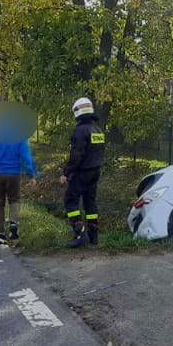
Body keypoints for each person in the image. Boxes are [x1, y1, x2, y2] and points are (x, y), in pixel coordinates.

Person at [0, 130, 38, 244]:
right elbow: (27, 158)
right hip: (14, 173)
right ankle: (14, 225)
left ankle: (1, 234)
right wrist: (31, 174)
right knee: (14, 200)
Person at [61, 97, 106, 248]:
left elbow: (76, 156)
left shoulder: (80, 131)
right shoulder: (98, 130)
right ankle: (94, 237)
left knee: (70, 201)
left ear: (77, 112)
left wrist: (66, 173)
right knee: (90, 202)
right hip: (95, 171)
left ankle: (80, 233)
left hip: (82, 173)